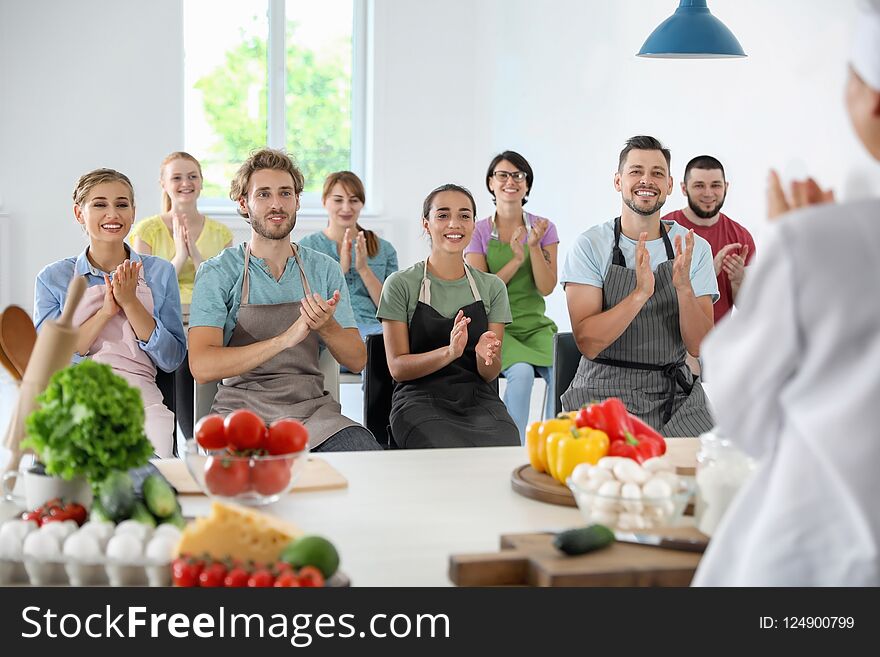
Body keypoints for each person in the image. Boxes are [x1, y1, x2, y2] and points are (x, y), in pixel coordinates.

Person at [693, 0, 880, 586]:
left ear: (870, 99)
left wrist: (791, 242)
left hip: (826, 556)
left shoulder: (811, 239)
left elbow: (742, 412)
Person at [187, 149, 380, 452]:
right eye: (263, 194)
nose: (276, 204)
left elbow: (357, 359)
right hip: (239, 416)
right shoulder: (218, 272)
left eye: (285, 193)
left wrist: (327, 327)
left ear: (297, 201)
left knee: (364, 455)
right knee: (240, 488)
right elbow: (201, 366)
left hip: (314, 415)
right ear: (243, 203)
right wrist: (283, 340)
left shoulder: (323, 269)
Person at [560, 136, 718, 437]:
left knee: (711, 471)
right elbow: (588, 343)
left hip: (675, 394)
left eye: (657, 172)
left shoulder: (693, 248)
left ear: (670, 185)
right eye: (636, 171)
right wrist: (639, 294)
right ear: (618, 181)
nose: (647, 179)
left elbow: (699, 346)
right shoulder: (590, 246)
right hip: (602, 390)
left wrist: (684, 289)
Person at [34, 168, 186, 457]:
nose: (112, 214)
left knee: (151, 481)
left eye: (122, 204)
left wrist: (130, 303)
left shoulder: (159, 272)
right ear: (79, 213)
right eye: (100, 204)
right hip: (77, 398)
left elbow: (171, 358)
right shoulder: (53, 278)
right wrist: (105, 311)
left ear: (133, 212)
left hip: (143, 400)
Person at [377, 184, 519, 448]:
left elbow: (490, 373)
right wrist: (450, 352)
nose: (454, 223)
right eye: (442, 215)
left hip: (478, 399)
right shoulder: (400, 284)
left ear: (474, 224)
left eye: (464, 215)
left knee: (506, 442)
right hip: (418, 400)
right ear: (426, 224)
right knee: (444, 450)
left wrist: (483, 356)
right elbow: (398, 368)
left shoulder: (492, 287)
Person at [130, 151, 233, 440]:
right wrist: (179, 256)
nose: (185, 183)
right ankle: (174, 441)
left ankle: (194, 439)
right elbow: (143, 288)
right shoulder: (147, 230)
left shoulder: (220, 232)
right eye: (177, 177)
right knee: (173, 351)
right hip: (163, 320)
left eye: (192, 176)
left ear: (201, 182)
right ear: (163, 183)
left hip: (206, 320)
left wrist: (197, 255)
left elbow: (224, 287)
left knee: (194, 350)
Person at [465, 151, 558, 444]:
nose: (511, 181)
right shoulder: (478, 230)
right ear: (491, 183)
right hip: (499, 328)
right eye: (503, 175)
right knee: (522, 374)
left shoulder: (544, 228)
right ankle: (511, 447)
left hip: (536, 325)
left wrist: (532, 246)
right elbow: (481, 291)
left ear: (527, 185)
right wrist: (515, 260)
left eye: (518, 176)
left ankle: (553, 442)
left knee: (562, 371)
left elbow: (546, 287)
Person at [299, 171, 398, 338]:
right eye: (338, 200)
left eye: (354, 200)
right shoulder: (308, 247)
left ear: (361, 204)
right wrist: (340, 270)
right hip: (330, 327)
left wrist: (363, 269)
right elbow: (309, 304)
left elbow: (391, 310)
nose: (346, 208)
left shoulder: (384, 249)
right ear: (324, 202)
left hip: (374, 328)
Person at [662, 156, 755, 325]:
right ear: (684, 189)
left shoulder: (741, 237)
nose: (708, 193)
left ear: (726, 187)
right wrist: (706, 272)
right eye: (699, 185)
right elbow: (655, 301)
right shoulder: (663, 230)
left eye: (715, 185)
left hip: (719, 344)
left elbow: (749, 308)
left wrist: (739, 280)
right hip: (672, 345)